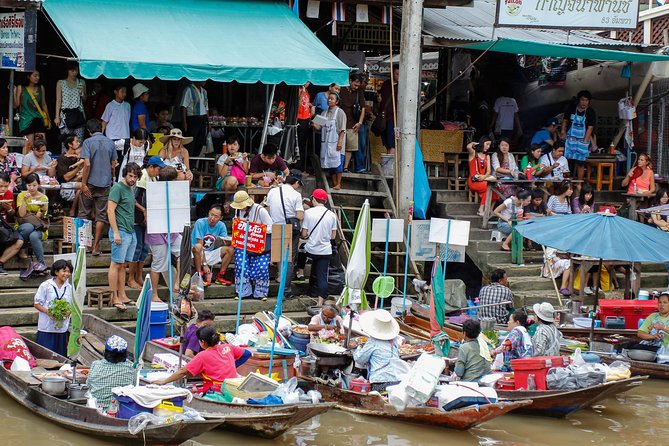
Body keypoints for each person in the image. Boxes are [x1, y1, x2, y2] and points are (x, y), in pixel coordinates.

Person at [152, 326, 251, 392]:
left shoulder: (202, 355)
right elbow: (247, 353)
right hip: (232, 387)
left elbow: (182, 371)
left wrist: (164, 381)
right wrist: (232, 365)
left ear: (202, 342)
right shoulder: (228, 347)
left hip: (216, 389)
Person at [79, 119, 117, 256]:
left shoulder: (88, 142)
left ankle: (83, 246)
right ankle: (95, 247)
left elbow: (87, 164)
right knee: (101, 216)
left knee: (84, 213)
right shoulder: (110, 143)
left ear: (89, 131)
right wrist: (112, 179)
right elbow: (113, 165)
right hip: (105, 184)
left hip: (90, 183)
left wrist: (83, 184)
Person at [144, 166, 181, 301]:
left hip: (172, 229)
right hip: (157, 231)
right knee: (159, 262)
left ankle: (178, 283)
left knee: (184, 250)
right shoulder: (153, 191)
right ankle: (154, 294)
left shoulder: (177, 192)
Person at [128, 156, 166, 289]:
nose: (159, 171)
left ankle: (139, 276)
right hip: (136, 218)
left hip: (148, 219)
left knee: (144, 249)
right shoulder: (142, 177)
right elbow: (133, 199)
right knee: (137, 247)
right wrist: (144, 210)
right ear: (150, 167)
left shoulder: (154, 178)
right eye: (158, 169)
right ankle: (131, 278)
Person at [108, 162, 141, 311]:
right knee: (115, 264)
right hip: (120, 230)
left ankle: (122, 295)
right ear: (125, 174)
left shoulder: (130, 188)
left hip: (130, 230)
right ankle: (114, 297)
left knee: (123, 265)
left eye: (135, 176)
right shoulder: (117, 188)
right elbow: (110, 210)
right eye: (130, 175)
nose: (133, 179)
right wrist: (115, 232)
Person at [266, 171, 304, 298]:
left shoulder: (273, 191)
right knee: (289, 259)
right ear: (296, 182)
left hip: (276, 225)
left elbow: (268, 209)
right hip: (290, 228)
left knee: (279, 257)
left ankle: (279, 279)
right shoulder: (296, 195)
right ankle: (285, 290)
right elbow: (299, 215)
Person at [231, 190, 272, 301]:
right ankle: (243, 291)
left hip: (259, 243)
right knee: (240, 265)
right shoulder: (238, 212)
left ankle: (261, 292)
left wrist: (255, 229)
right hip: (243, 243)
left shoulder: (260, 210)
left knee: (262, 267)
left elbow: (271, 227)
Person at [301, 188, 337, 306]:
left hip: (311, 249)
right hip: (325, 250)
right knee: (322, 275)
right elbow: (333, 236)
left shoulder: (309, 213)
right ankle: (320, 302)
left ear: (314, 199)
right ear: (325, 201)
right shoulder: (332, 215)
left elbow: (304, 234)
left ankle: (300, 272)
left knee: (301, 250)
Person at [352, 309, 401, 392]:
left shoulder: (373, 341)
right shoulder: (394, 340)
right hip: (396, 379)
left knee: (380, 402)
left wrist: (359, 346)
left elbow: (359, 359)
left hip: (380, 381)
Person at [33, 259, 73, 356]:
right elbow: (36, 303)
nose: (67, 274)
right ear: (56, 272)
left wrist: (68, 312)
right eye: (64, 271)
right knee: (45, 355)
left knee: (60, 355)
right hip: (46, 327)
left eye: (69, 272)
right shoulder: (46, 285)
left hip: (62, 327)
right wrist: (48, 312)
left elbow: (71, 305)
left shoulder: (69, 287)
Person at [87, 335, 137, 413]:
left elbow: (89, 385)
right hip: (119, 411)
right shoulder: (130, 368)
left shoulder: (95, 364)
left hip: (97, 409)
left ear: (106, 352)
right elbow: (134, 386)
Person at [192, 203, 234, 287]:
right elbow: (199, 245)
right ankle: (200, 275)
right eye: (211, 214)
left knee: (230, 249)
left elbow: (224, 240)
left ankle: (221, 276)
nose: (212, 218)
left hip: (209, 253)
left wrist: (227, 242)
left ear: (221, 218)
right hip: (194, 254)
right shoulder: (200, 223)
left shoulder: (221, 225)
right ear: (208, 213)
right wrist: (204, 264)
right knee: (198, 246)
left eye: (216, 216)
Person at [312, 92, 346, 190]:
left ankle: (339, 183)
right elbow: (319, 127)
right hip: (327, 143)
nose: (329, 100)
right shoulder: (324, 113)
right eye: (329, 99)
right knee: (330, 164)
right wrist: (313, 123)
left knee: (338, 164)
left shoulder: (340, 112)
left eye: (332, 99)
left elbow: (342, 129)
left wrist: (340, 142)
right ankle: (334, 183)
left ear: (337, 101)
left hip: (337, 143)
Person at [561, 90, 596, 181]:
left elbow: (590, 128)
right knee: (567, 160)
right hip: (570, 139)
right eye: (582, 100)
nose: (584, 102)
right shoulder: (571, 108)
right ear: (578, 100)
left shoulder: (590, 112)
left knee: (581, 163)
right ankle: (566, 182)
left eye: (586, 100)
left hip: (582, 140)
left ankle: (579, 183)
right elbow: (565, 121)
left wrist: (584, 142)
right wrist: (563, 132)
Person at [16, 173, 48, 269]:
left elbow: (40, 217)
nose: (31, 188)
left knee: (34, 235)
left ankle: (41, 264)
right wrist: (25, 201)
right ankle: (22, 247)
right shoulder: (21, 195)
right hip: (23, 225)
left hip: (39, 227)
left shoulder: (43, 198)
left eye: (34, 185)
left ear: (38, 184)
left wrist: (42, 209)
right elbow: (21, 214)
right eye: (29, 185)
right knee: (28, 227)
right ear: (25, 185)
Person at [13, 70, 50, 149]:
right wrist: (13, 92)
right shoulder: (21, 88)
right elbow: (16, 105)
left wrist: (48, 119)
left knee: (41, 145)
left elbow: (44, 104)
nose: (37, 78)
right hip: (26, 119)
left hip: (38, 119)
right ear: (28, 76)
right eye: (35, 76)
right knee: (29, 146)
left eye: (38, 76)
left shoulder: (41, 88)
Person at [338, 73, 366, 171]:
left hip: (353, 122)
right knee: (340, 145)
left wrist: (360, 122)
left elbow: (363, 108)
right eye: (355, 84)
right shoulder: (341, 90)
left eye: (358, 85)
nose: (356, 87)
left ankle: (345, 167)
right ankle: (339, 166)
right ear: (350, 81)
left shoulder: (359, 92)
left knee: (350, 147)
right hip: (342, 122)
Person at [54, 61, 87, 144]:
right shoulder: (61, 83)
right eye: (72, 70)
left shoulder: (81, 82)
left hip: (78, 114)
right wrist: (57, 116)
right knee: (66, 142)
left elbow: (84, 100)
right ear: (67, 71)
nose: (74, 73)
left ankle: (78, 157)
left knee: (78, 142)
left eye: (76, 70)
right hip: (65, 116)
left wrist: (82, 92)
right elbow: (58, 100)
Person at [0, 172, 23, 274]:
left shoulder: (8, 194)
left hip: (4, 226)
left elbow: (12, 214)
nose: (3, 189)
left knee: (19, 242)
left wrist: (9, 208)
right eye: (0, 186)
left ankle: (0, 263)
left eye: (6, 186)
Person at [56, 134, 84, 216]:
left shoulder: (78, 157)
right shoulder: (62, 158)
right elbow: (66, 177)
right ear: (70, 145)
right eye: (76, 141)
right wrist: (78, 168)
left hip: (77, 183)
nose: (78, 143)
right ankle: (73, 210)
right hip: (66, 186)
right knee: (85, 186)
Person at [466, 137, 494, 216]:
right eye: (487, 144)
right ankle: (481, 210)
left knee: (495, 187)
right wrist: (475, 143)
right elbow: (468, 147)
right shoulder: (473, 154)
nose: (488, 147)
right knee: (489, 187)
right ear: (482, 143)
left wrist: (484, 177)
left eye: (489, 145)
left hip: (483, 179)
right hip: (474, 181)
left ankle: (489, 210)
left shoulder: (487, 156)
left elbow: (488, 171)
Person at [180, 81, 209, 155]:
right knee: (191, 142)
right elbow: (183, 106)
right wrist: (184, 122)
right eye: (202, 79)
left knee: (200, 141)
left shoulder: (204, 91)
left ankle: (194, 163)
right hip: (193, 119)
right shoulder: (188, 89)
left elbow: (206, 108)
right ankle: (188, 162)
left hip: (203, 118)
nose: (204, 81)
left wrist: (209, 122)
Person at [379, 66, 399, 154]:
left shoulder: (402, 86)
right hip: (384, 117)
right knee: (387, 143)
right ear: (392, 74)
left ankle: (390, 165)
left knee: (392, 143)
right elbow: (380, 98)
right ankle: (388, 162)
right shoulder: (386, 84)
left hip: (394, 118)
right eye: (397, 74)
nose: (398, 76)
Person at [296, 81, 314, 171]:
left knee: (304, 145)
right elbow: (296, 107)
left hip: (306, 119)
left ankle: (302, 168)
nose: (308, 84)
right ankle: (298, 168)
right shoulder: (298, 91)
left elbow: (306, 104)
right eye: (307, 81)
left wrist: (311, 106)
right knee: (299, 145)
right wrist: (302, 94)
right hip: (299, 119)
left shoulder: (306, 91)